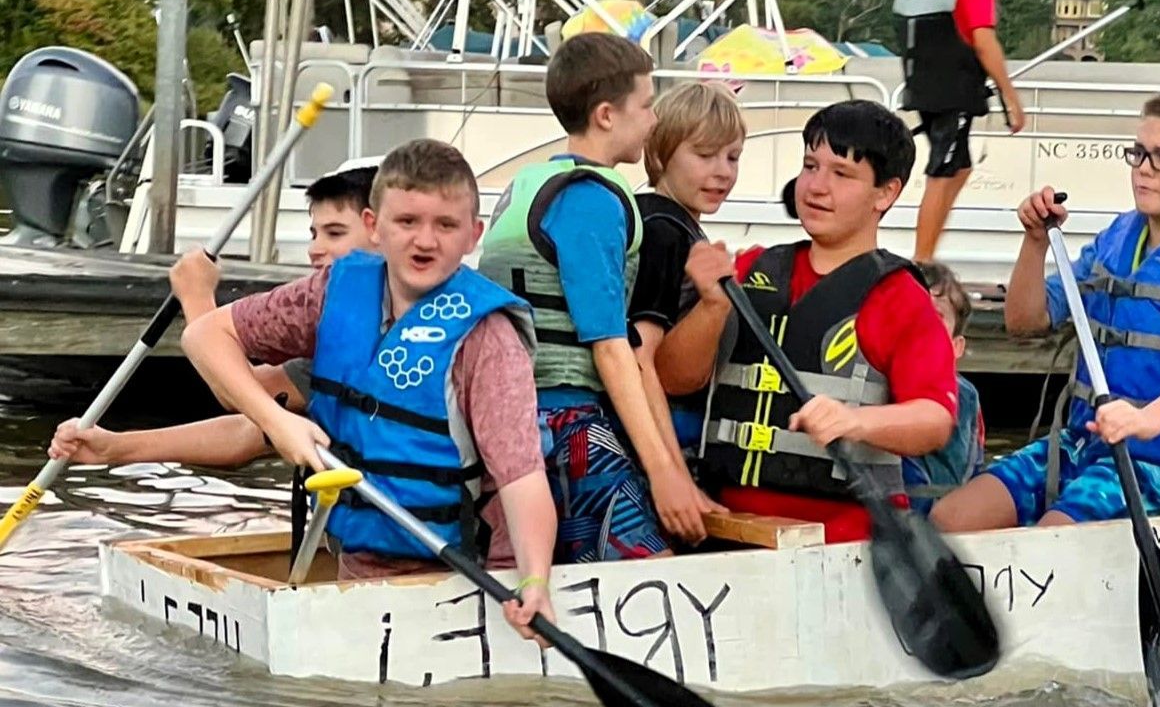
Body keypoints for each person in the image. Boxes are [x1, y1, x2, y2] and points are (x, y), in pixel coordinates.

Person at [180, 140, 557, 640]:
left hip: (476, 577)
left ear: (473, 235)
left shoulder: (487, 338)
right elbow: (205, 336)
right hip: (363, 564)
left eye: (446, 225)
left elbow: (522, 477)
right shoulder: (332, 289)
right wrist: (277, 421)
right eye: (407, 222)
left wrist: (535, 581)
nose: (425, 241)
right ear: (375, 227)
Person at [931, 92, 1160, 532]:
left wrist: (1142, 421)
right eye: (1139, 153)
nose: (1144, 168)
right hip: (1083, 443)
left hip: (1159, 463)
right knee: (948, 519)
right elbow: (1025, 321)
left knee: (1054, 535)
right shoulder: (1116, 240)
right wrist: (1034, 242)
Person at [661, 99, 959, 543]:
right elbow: (674, 378)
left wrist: (855, 423)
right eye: (810, 166)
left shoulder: (901, 298)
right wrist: (710, 306)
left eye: (841, 174)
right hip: (728, 525)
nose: (816, 187)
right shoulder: (749, 269)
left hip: (845, 538)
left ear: (886, 193)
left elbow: (935, 418)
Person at [478, 33, 718, 562]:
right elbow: (611, 347)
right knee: (655, 571)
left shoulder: (526, 185)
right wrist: (663, 474)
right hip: (565, 421)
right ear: (607, 115)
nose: (654, 120)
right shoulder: (590, 200)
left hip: (507, 417)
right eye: (647, 105)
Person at [48, 167, 379, 469]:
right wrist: (115, 449)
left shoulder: (407, 317)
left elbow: (235, 395)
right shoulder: (335, 329)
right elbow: (250, 422)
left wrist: (196, 298)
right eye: (313, 234)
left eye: (335, 234)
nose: (314, 249)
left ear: (379, 229)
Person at [892, 0, 1026, 263]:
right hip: (954, 90)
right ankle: (923, 262)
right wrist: (1010, 100)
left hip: (923, 86)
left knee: (959, 166)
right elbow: (984, 42)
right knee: (942, 171)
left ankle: (930, 249)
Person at [629, 81, 745, 460]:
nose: (722, 172)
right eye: (705, 154)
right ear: (660, 154)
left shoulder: (645, 218)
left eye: (733, 157)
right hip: (662, 439)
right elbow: (645, 360)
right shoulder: (664, 230)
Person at [902, 261, 986, 511]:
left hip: (948, 517)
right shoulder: (877, 385)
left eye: (935, 319)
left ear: (956, 347)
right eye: (911, 315)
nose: (921, 327)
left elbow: (975, 467)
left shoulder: (968, 397)